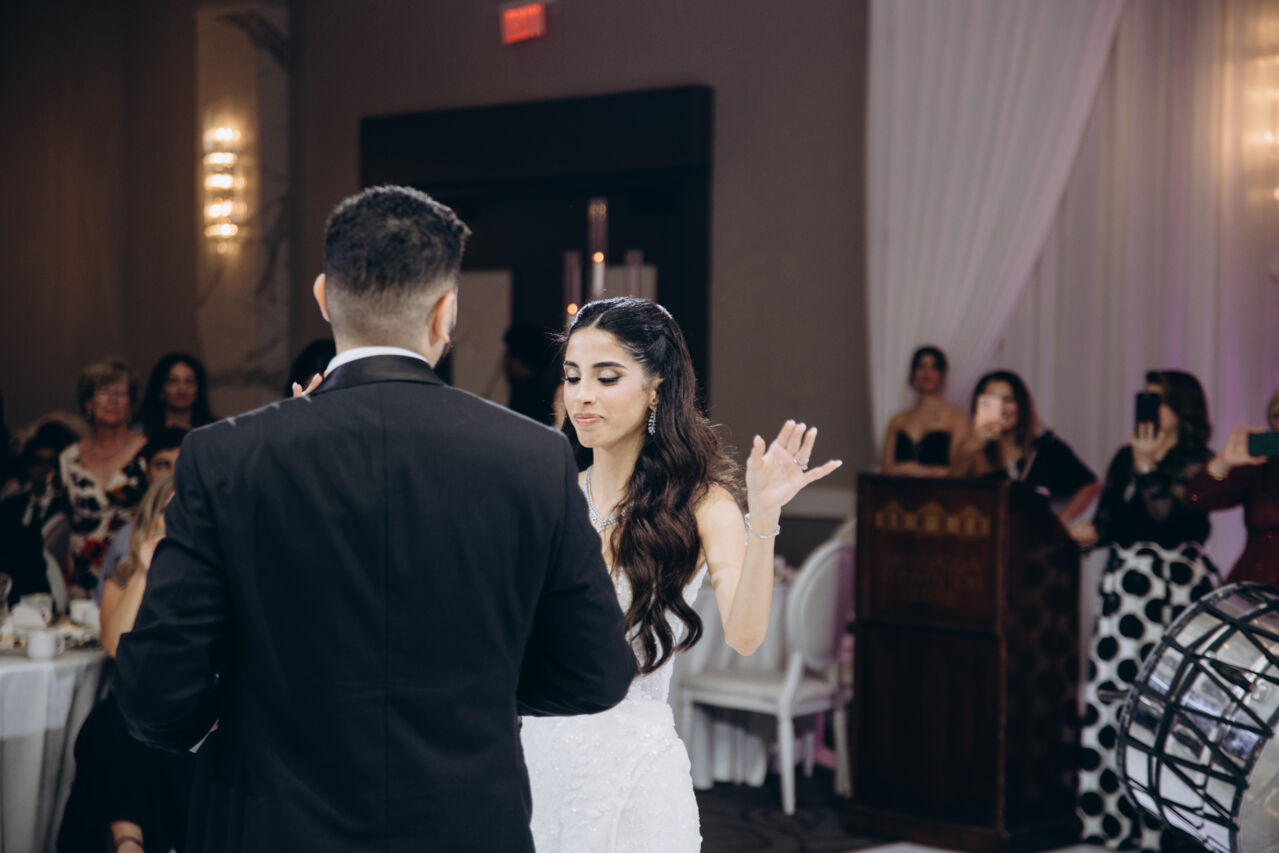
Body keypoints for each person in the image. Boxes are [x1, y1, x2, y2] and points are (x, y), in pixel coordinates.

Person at [114, 185, 636, 853]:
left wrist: (246, 711)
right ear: (446, 312)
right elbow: (597, 670)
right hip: (466, 826)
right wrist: (480, 686)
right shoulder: (533, 456)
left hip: (273, 823)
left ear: (324, 296)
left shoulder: (225, 456)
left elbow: (155, 694)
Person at [520, 296, 842, 852]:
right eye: (573, 376)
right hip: (538, 760)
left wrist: (764, 518)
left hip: (635, 773)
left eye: (606, 377)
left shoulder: (701, 505)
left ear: (657, 388)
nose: (583, 395)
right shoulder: (551, 497)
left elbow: (745, 636)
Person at [1069, 370, 1218, 852]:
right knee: (1114, 697)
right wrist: (1075, 534)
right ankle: (1109, 823)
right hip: (1127, 592)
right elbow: (1109, 521)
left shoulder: (1199, 461)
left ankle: (1164, 831)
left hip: (1174, 591)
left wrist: (1149, 467)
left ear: (1182, 408)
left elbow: (1171, 520)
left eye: (1160, 400)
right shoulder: (1123, 456)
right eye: (1146, 397)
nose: (1149, 406)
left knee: (1167, 708)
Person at [59, 474, 193, 853]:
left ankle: (128, 843)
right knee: (109, 728)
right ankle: (128, 843)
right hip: (133, 703)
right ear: (152, 517)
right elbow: (116, 645)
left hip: (186, 705)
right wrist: (144, 572)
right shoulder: (124, 575)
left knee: (121, 731)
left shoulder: (206, 578)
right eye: (170, 510)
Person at [950, 370, 1100, 523]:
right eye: (992, 402)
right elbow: (950, 487)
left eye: (1008, 400)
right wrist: (972, 446)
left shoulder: (1044, 447)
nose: (1001, 408)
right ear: (978, 405)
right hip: (985, 533)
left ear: (1021, 404)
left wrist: (1058, 524)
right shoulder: (974, 451)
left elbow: (1091, 485)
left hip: (1031, 535)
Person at [60, 359, 149, 596]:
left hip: (131, 569)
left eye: (121, 393)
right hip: (81, 576)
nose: (113, 400)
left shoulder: (148, 454)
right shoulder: (68, 458)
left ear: (131, 403)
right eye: (104, 392)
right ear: (88, 402)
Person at [1184, 387, 1279, 586]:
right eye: (1277, 415)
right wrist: (1224, 461)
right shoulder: (1262, 466)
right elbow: (1196, 497)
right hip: (1256, 590)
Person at [94, 427, 186, 603]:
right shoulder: (125, 538)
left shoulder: (212, 536)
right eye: (163, 465)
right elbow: (101, 607)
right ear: (147, 473)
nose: (174, 474)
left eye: (182, 464)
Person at [879, 345, 969, 476]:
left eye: (934, 367)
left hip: (939, 488)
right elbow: (885, 469)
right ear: (913, 373)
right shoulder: (897, 421)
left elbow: (958, 469)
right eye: (921, 367)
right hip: (899, 487)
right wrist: (907, 469)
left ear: (942, 374)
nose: (927, 373)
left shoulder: (957, 417)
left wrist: (919, 471)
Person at [137, 353, 215, 439]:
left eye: (189, 381)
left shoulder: (213, 431)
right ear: (161, 387)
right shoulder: (141, 432)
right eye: (173, 381)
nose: (182, 388)